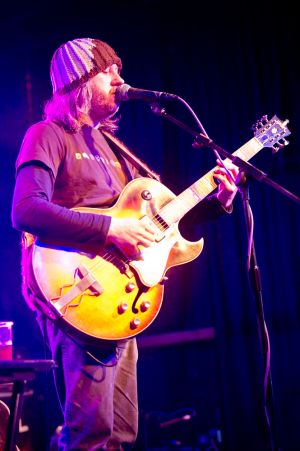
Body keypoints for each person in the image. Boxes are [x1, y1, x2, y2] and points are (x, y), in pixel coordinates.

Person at [11, 37, 239, 450]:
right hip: (78, 286)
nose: (119, 78)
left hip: (122, 295)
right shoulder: (48, 134)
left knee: (121, 432)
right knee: (91, 433)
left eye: (119, 68)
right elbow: (26, 210)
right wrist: (110, 230)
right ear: (80, 80)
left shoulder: (114, 148)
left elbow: (161, 224)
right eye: (108, 70)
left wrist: (218, 203)